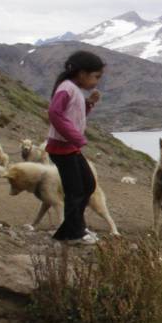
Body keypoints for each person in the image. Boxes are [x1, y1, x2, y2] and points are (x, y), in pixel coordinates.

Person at [45, 50, 105, 245]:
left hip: (69, 148)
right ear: (82, 73)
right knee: (76, 191)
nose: (97, 81)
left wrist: (90, 104)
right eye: (96, 76)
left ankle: (71, 228)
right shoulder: (66, 88)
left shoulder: (73, 89)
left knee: (88, 185)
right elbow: (54, 113)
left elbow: (73, 115)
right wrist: (76, 137)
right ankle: (73, 234)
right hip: (62, 148)